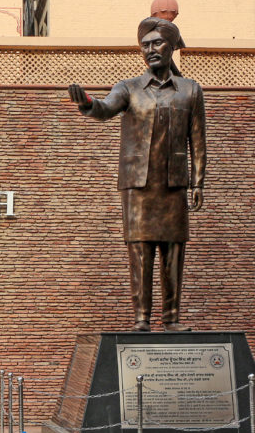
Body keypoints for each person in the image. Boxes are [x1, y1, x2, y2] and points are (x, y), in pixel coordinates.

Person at [68, 17, 206, 332]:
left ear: (172, 46)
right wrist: (87, 102)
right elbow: (105, 108)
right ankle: (142, 320)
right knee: (140, 254)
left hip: (174, 187)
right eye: (145, 45)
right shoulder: (128, 88)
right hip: (138, 187)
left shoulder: (190, 90)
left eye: (157, 43)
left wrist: (198, 182)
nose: (151, 50)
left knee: (172, 255)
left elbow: (197, 141)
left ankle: (171, 320)